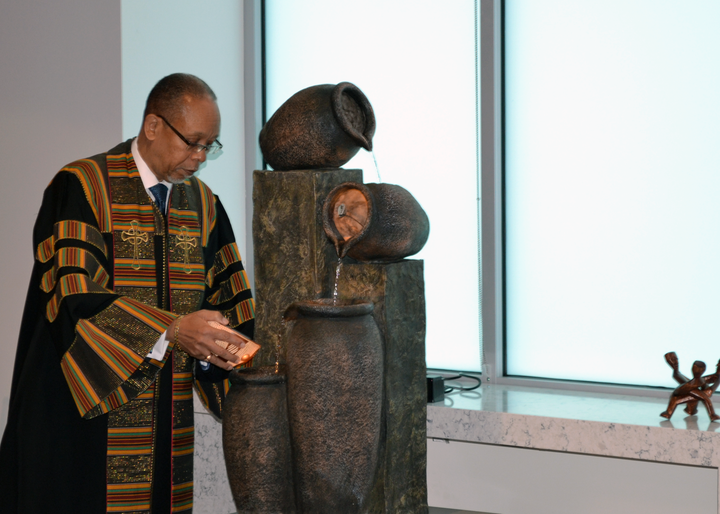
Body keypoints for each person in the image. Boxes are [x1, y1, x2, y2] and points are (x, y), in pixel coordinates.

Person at [0, 73, 255, 513]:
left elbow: (230, 299)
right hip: (81, 422)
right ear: (153, 126)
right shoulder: (82, 185)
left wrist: (223, 346)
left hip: (166, 426)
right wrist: (173, 329)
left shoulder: (204, 206)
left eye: (209, 146)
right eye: (191, 142)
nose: (199, 159)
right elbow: (72, 296)